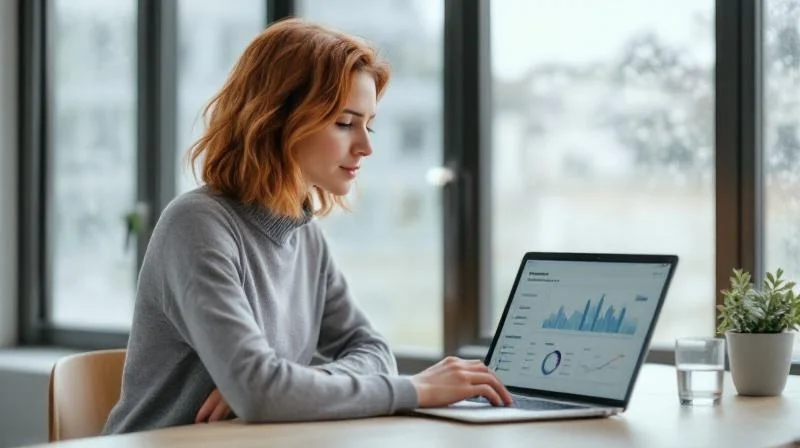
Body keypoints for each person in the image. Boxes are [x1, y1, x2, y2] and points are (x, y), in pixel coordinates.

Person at [103, 17, 512, 434]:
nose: (366, 146)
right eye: (344, 123)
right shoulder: (196, 226)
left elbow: (372, 351)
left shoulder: (304, 234)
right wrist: (417, 390)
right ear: (277, 119)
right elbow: (261, 394)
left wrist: (282, 386)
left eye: (368, 124)